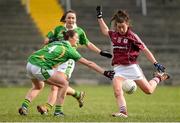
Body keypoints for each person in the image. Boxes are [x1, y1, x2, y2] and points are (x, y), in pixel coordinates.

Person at [18, 30, 115, 116]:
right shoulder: (70, 50)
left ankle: (24, 107)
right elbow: (89, 63)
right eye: (76, 38)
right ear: (70, 38)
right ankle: (58, 111)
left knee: (38, 87)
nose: (78, 41)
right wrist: (105, 72)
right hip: (40, 66)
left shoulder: (57, 42)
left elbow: (49, 54)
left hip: (30, 63)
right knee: (64, 84)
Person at [96, 6, 170, 118]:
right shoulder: (114, 34)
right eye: (118, 27)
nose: (121, 29)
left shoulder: (132, 36)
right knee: (117, 90)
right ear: (116, 26)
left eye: (123, 27)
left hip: (132, 67)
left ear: (128, 25)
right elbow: (105, 31)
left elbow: (145, 49)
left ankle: (159, 77)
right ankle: (123, 112)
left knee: (149, 90)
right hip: (119, 68)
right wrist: (99, 17)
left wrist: (155, 63)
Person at [36, 10, 112, 115]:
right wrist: (52, 39)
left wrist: (101, 52)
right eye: (69, 17)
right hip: (56, 59)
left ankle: (47, 108)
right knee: (58, 84)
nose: (71, 20)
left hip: (68, 61)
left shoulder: (79, 31)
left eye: (73, 18)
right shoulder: (58, 29)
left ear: (75, 20)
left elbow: (88, 43)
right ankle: (78, 94)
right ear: (65, 19)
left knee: (56, 86)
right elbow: (46, 40)